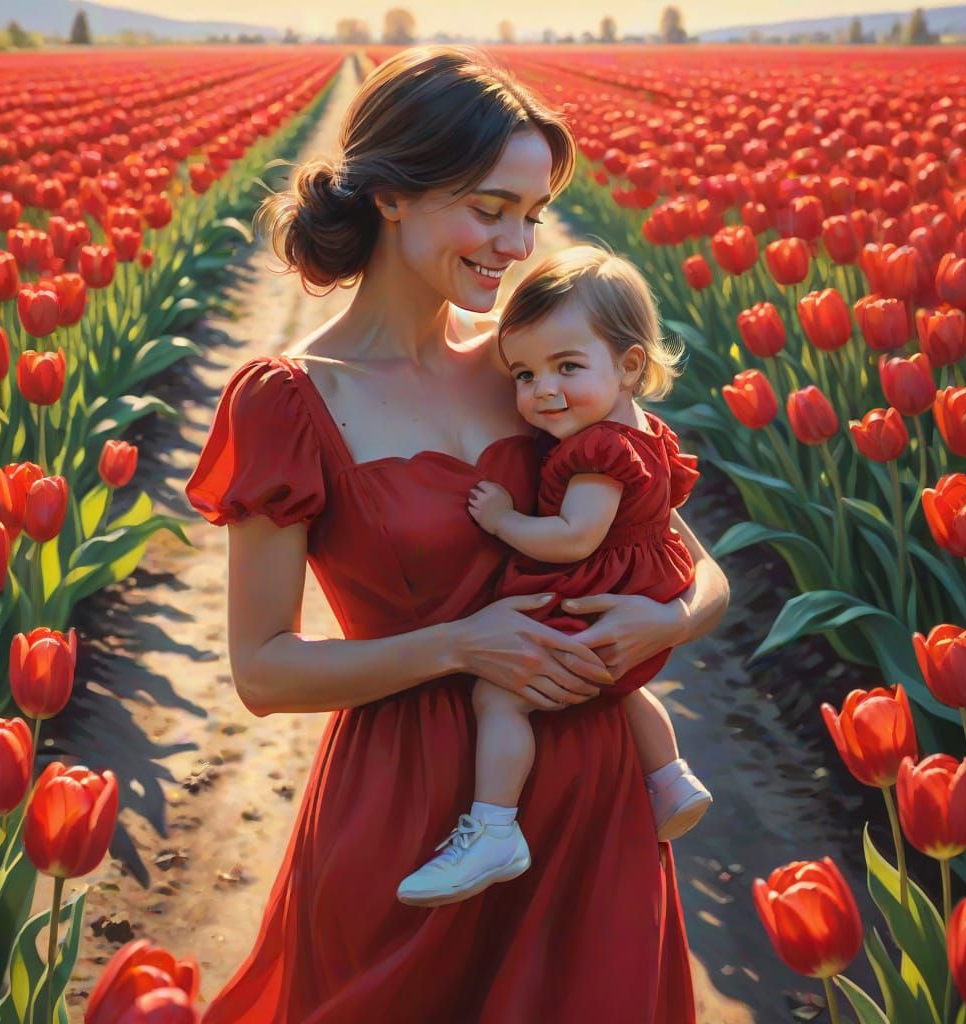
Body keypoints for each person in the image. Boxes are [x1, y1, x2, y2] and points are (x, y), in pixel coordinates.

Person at [184, 44, 729, 1024]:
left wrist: (667, 625)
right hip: (413, 807)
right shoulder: (291, 403)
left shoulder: (536, 372)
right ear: (391, 195)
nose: (518, 244)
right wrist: (459, 643)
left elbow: (695, 561)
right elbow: (262, 671)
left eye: (527, 214)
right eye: (490, 208)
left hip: (593, 799)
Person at [396, 245, 713, 909]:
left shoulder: (597, 452)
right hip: (643, 588)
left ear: (629, 365)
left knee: (500, 696)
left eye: (567, 367)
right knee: (618, 687)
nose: (543, 390)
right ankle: (670, 778)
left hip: (596, 589)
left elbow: (574, 538)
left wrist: (507, 521)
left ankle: (493, 826)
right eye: (523, 373)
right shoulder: (644, 430)